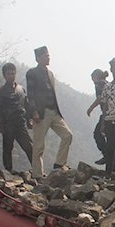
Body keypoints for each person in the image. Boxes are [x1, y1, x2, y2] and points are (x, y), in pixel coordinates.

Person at [26, 45, 73, 178]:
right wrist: (33, 111)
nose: (48, 58)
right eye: (45, 56)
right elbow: (30, 94)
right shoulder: (32, 73)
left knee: (67, 135)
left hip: (54, 111)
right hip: (41, 113)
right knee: (39, 145)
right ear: (38, 58)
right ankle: (37, 174)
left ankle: (59, 163)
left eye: (48, 55)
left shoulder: (51, 74)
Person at [0, 62, 33, 172]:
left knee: (30, 148)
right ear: (4, 75)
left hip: (20, 124)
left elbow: (26, 106)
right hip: (8, 125)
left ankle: (37, 171)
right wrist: (0, 126)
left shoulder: (21, 89)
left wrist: (29, 120)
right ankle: (8, 171)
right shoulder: (1, 92)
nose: (11, 76)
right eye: (9, 74)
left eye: (13, 73)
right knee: (7, 149)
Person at [89, 68, 112, 166]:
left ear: (95, 77)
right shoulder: (107, 83)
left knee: (98, 134)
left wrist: (90, 108)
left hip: (107, 114)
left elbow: (100, 98)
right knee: (110, 137)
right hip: (113, 113)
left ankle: (108, 155)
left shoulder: (99, 84)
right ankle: (113, 160)